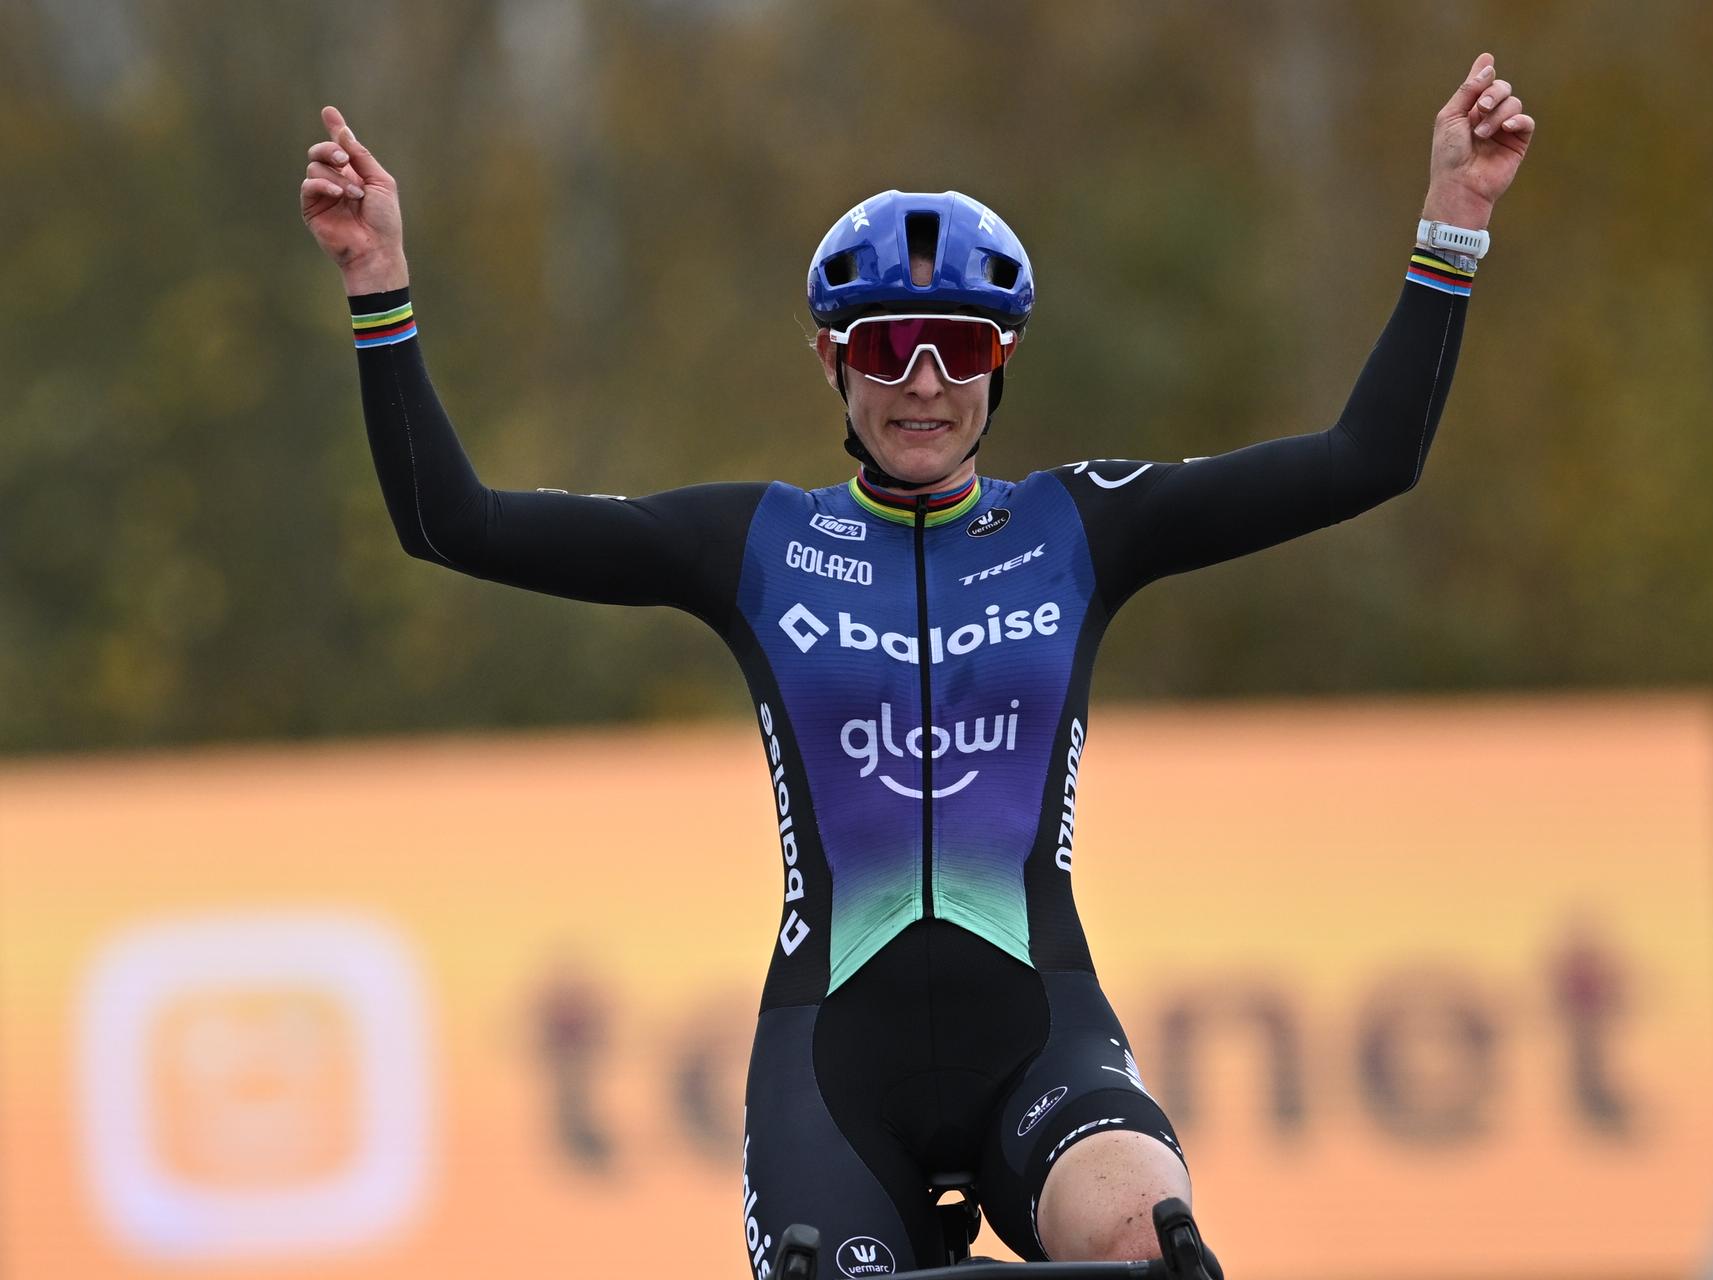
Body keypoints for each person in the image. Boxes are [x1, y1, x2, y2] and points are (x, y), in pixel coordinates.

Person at [300, 53, 1533, 1275]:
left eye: (960, 344)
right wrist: (378, 280)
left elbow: (1369, 455)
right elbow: (449, 519)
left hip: (1038, 1033)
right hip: (835, 1063)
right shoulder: (756, 543)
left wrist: (1456, 216)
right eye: (886, 344)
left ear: (1003, 360)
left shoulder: (1081, 525)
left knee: (1151, 1247)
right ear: (830, 361)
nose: (924, 380)